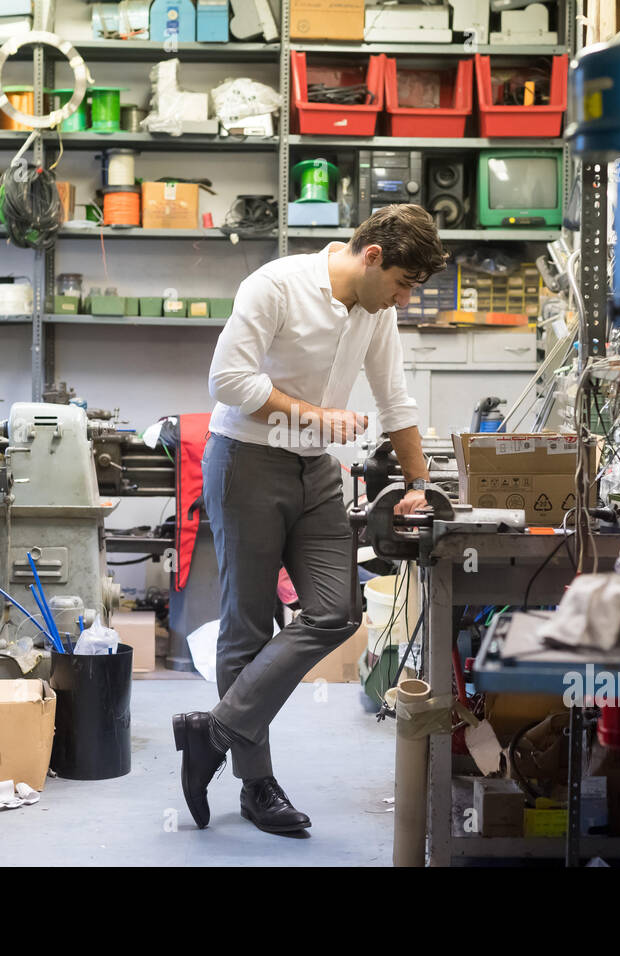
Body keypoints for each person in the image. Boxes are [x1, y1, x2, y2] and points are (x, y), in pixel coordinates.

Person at [173, 203, 447, 834]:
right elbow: (227, 379)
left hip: (315, 470)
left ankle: (211, 734)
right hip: (246, 460)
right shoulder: (276, 285)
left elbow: (395, 400)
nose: (404, 300)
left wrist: (420, 484)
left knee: (335, 610)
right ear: (373, 256)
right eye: (404, 284)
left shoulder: (375, 313)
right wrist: (314, 415)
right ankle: (256, 784)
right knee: (246, 625)